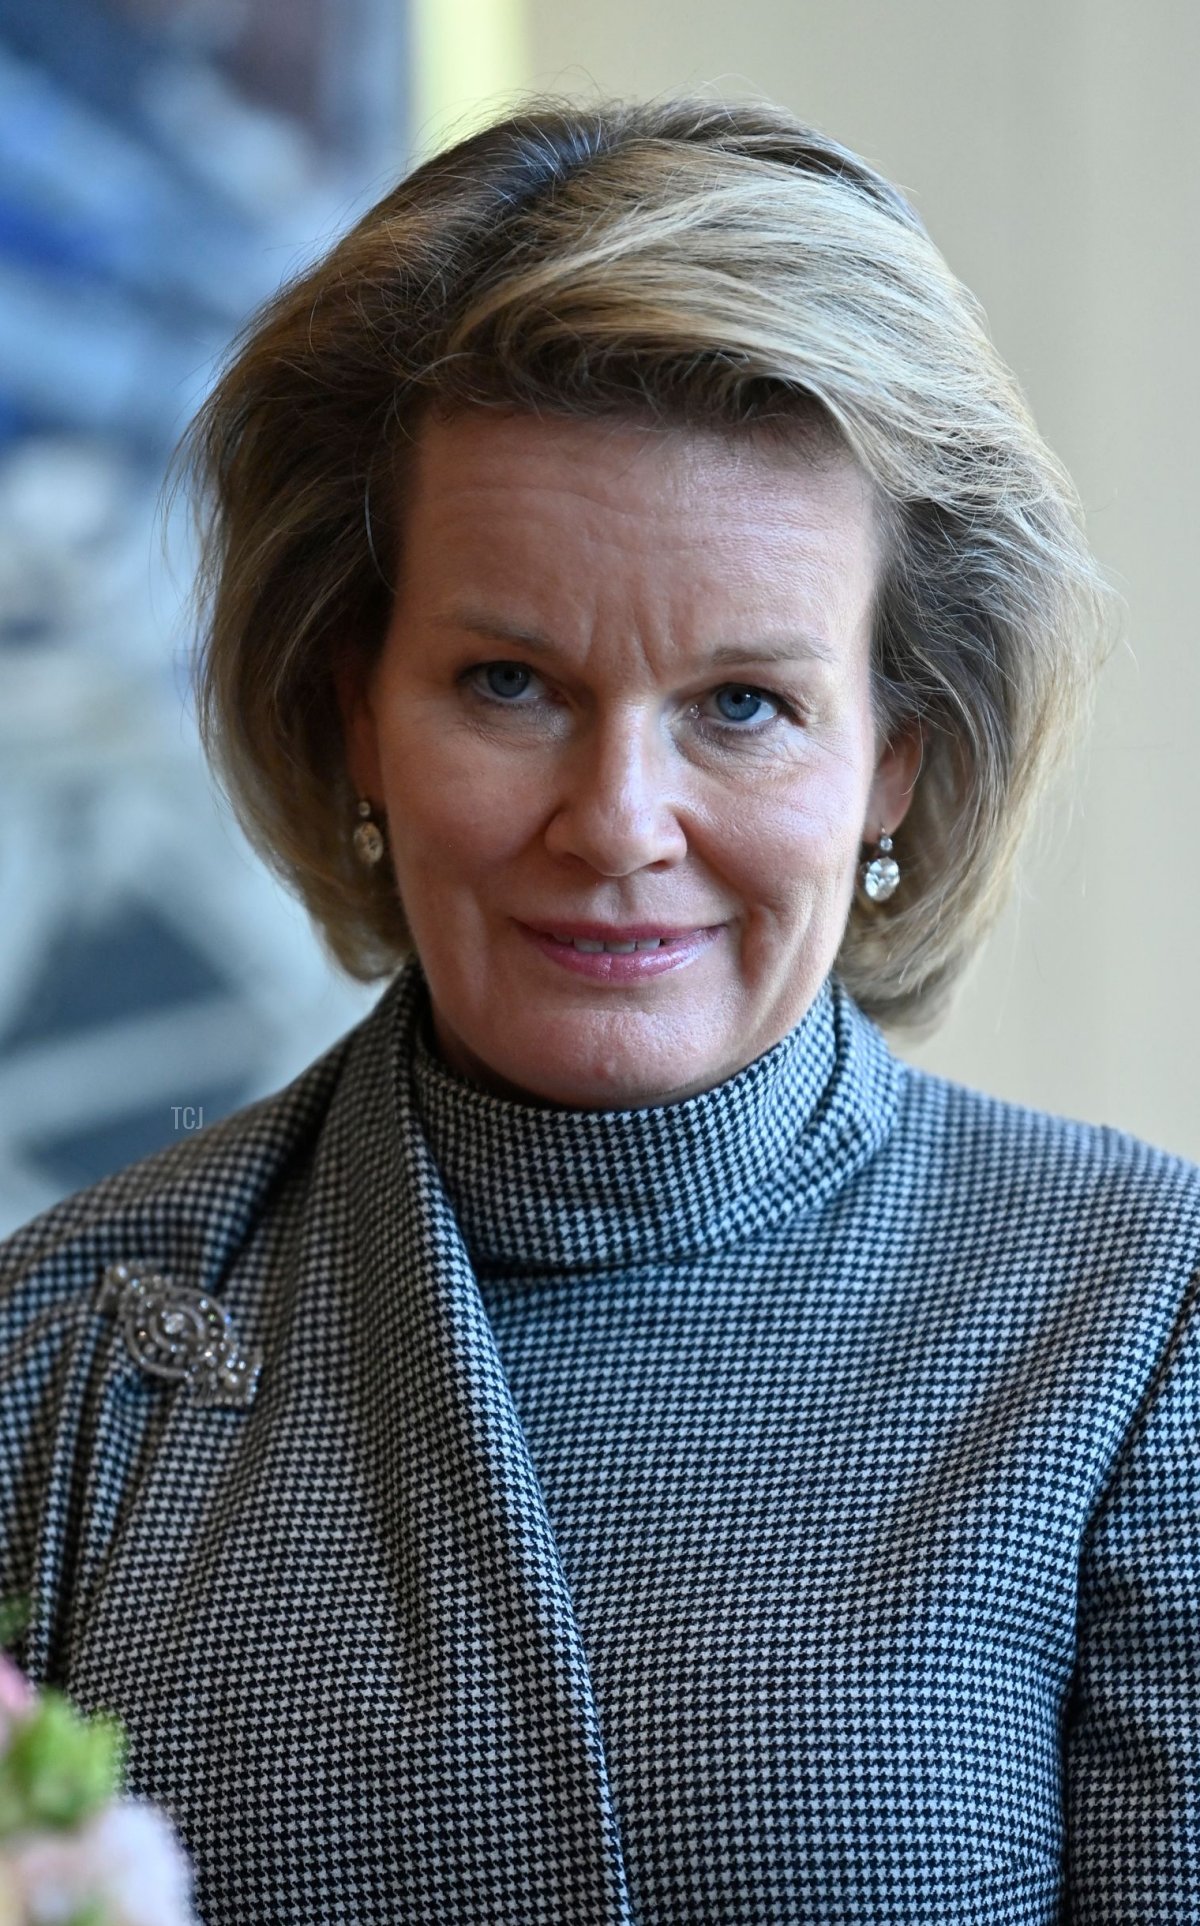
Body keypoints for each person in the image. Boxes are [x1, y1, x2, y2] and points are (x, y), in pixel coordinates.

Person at [1, 93, 1198, 1926]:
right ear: (354, 717)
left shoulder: (1140, 1321)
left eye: (742, 703)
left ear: (896, 759)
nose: (617, 824)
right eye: (508, 680)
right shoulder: (55, 1348)